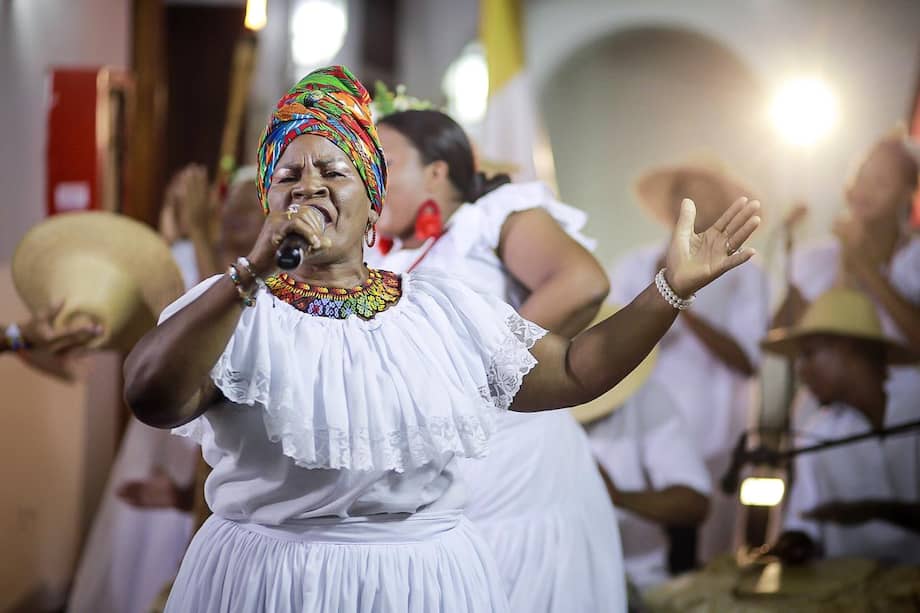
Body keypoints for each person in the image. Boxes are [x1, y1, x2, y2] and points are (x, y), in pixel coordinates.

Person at [123, 65, 761, 612]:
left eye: (333, 171)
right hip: (276, 584)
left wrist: (669, 289)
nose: (309, 185)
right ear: (269, 201)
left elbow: (573, 370)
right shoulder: (236, 307)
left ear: (373, 203)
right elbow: (151, 396)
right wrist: (251, 273)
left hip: (422, 583)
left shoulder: (442, 310)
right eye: (287, 176)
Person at [369, 108, 625, 612]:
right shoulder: (376, 257)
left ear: (437, 171)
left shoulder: (492, 218)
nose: (370, 177)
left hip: (522, 475)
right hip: (438, 483)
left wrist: (485, 372)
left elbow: (581, 282)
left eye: (386, 162)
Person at [609, 161, 769, 562]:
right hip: (640, 437)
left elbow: (747, 360)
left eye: (709, 195)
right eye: (687, 195)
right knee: (641, 556)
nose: (697, 205)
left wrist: (677, 295)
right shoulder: (633, 265)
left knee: (705, 556)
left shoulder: (745, 272)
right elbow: (607, 338)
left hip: (713, 442)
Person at [762, 287, 920, 564]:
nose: (801, 370)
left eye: (809, 354)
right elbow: (803, 525)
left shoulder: (915, 405)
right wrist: (792, 543)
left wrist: (875, 510)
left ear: (849, 347)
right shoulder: (815, 433)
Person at [777, 133, 920, 414]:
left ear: (908, 193)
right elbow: (783, 333)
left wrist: (864, 267)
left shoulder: (915, 259)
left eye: (881, 182)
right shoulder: (816, 258)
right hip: (827, 411)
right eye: (861, 177)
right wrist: (843, 264)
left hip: (905, 410)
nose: (866, 189)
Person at [581, 329, 711, 591]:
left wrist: (618, 497)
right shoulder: (530, 409)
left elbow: (694, 504)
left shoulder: (646, 396)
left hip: (638, 580)